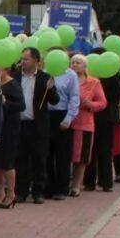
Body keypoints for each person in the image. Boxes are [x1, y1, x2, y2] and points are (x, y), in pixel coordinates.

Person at [13, 48, 57, 203]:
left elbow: (54, 100)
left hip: (38, 125)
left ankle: (38, 191)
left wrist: (51, 90)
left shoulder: (45, 78)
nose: (22, 62)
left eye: (26, 59)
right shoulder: (15, 76)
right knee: (20, 159)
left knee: (39, 159)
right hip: (20, 123)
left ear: (36, 61)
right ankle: (21, 191)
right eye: (22, 59)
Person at [68, 54, 106, 197]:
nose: (75, 65)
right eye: (72, 62)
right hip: (67, 124)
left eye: (78, 63)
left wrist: (92, 105)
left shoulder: (94, 82)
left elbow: (102, 102)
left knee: (81, 157)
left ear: (85, 66)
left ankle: (77, 184)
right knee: (67, 155)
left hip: (84, 124)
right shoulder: (66, 79)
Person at [46, 50, 81, 200]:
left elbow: (74, 97)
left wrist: (68, 118)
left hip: (62, 114)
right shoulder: (45, 72)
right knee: (47, 154)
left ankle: (61, 188)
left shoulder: (70, 75)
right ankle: (48, 187)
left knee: (62, 154)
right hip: (47, 115)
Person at [84, 64, 120, 193]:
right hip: (90, 116)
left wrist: (100, 94)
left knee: (104, 150)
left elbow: (119, 94)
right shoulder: (89, 75)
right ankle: (90, 182)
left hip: (105, 117)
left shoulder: (111, 73)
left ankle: (105, 182)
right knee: (91, 149)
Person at [0, 64, 26, 209]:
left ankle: (11, 193)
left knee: (8, 162)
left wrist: (7, 102)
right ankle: (0, 192)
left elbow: (21, 105)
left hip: (10, 127)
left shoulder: (13, 84)